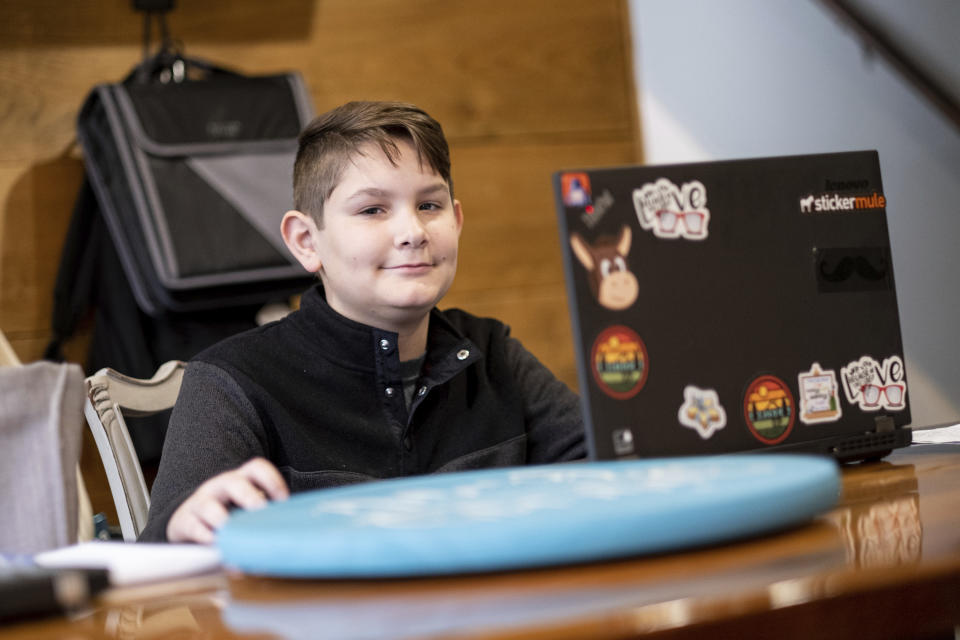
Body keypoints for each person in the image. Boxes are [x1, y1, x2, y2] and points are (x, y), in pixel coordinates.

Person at [139, 101, 585, 543]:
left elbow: (606, 471)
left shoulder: (493, 352)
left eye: (430, 205)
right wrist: (183, 526)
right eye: (372, 210)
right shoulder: (232, 380)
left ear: (458, 220)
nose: (413, 232)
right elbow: (165, 558)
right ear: (306, 241)